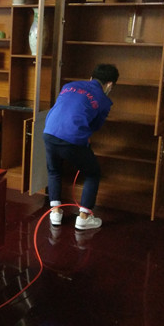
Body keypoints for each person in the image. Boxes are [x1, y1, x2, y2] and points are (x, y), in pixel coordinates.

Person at [43, 63, 119, 230]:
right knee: (93, 173)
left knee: (54, 170)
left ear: (91, 78)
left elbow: (63, 109)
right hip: (72, 139)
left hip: (49, 132)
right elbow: (95, 126)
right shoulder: (104, 101)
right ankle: (84, 217)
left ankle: (55, 213)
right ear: (110, 85)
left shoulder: (68, 86)